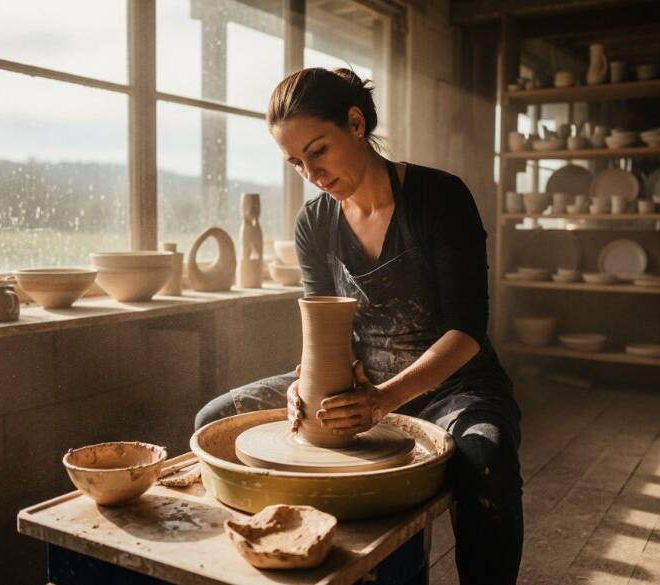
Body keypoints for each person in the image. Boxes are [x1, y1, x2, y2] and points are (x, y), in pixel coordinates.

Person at [194, 67, 523, 584]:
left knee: (488, 462)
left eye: (318, 150)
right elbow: (324, 335)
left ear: (355, 122)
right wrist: (306, 384)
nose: (312, 173)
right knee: (214, 419)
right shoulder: (314, 223)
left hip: (454, 385)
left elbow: (467, 332)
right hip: (358, 383)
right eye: (296, 163)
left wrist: (384, 401)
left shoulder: (440, 198)